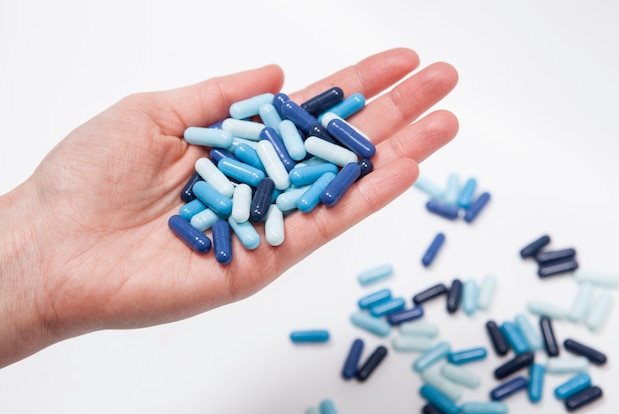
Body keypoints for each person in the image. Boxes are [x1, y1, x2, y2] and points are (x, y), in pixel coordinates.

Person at [0, 47, 458, 368]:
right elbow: (280, 181)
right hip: (249, 191)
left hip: (257, 189)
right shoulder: (246, 165)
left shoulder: (266, 162)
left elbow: (283, 180)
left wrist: (37, 266)